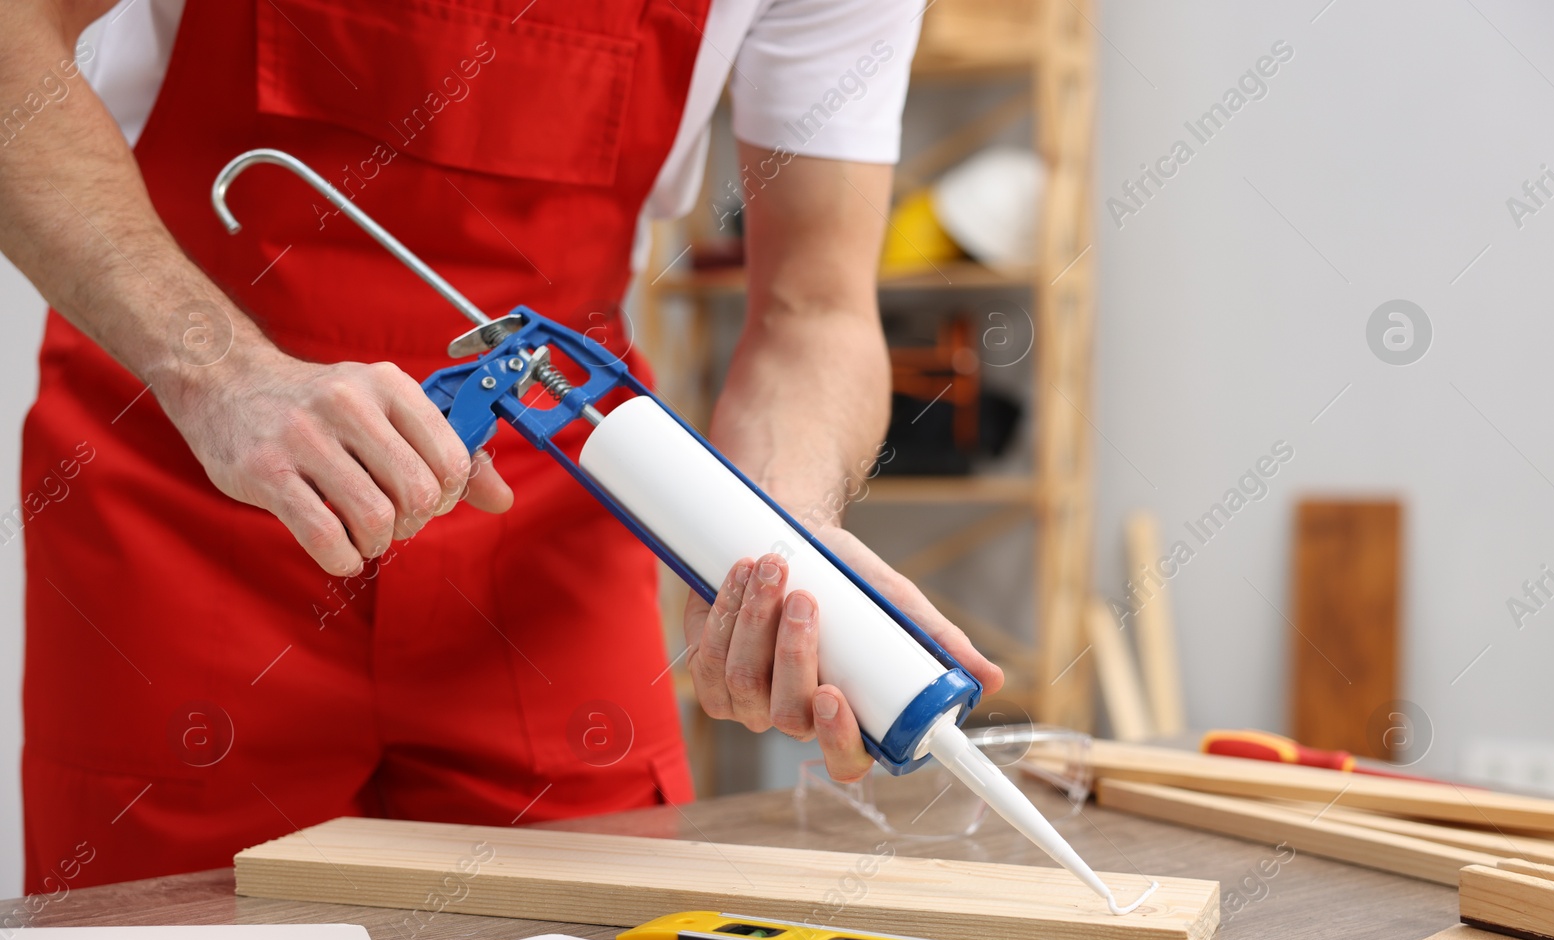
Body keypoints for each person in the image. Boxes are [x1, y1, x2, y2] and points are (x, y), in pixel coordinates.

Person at [0, 0, 1001, 894]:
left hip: (549, 532)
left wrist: (770, 542)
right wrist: (217, 373)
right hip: (188, 503)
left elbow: (811, 306)